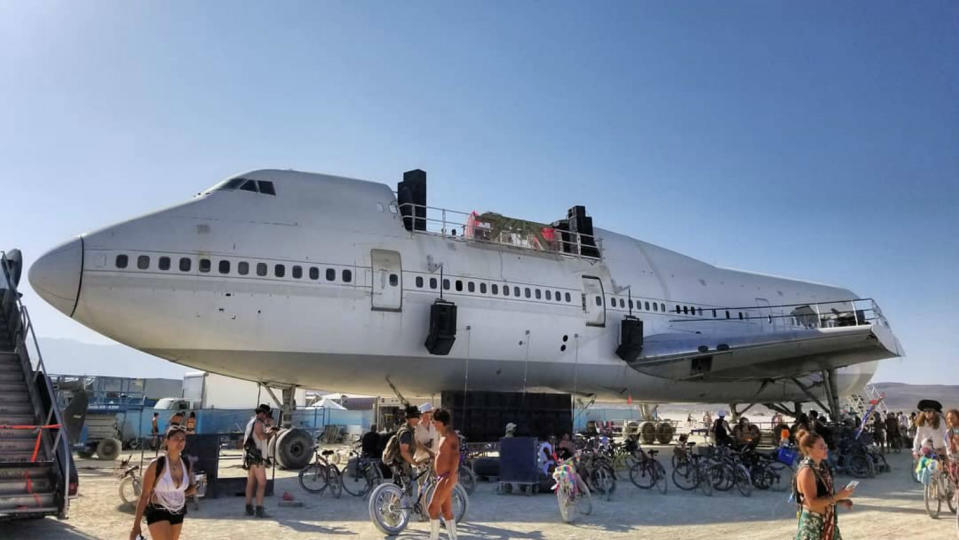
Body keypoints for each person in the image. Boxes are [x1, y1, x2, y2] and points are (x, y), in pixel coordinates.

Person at [129, 424, 196, 540]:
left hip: (179, 511)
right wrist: (136, 526)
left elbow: (184, 490)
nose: (180, 442)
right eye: (176, 439)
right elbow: (144, 495)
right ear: (167, 441)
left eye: (183, 439)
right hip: (158, 510)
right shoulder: (156, 465)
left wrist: (192, 489)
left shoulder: (186, 463)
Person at [793, 428, 854, 540]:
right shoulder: (807, 471)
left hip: (827, 524)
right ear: (809, 449)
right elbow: (812, 503)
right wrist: (838, 496)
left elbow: (823, 495)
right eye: (821, 447)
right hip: (813, 527)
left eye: (825, 445)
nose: (826, 449)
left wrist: (841, 500)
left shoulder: (821, 467)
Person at [427, 408, 458, 540]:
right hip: (443, 477)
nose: (433, 424)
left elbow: (456, 457)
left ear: (441, 422)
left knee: (432, 509)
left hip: (446, 477)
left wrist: (450, 478)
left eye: (434, 422)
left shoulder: (451, 436)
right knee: (446, 512)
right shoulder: (443, 435)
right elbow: (441, 455)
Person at [243, 404, 278, 518]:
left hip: (250, 456)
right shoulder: (258, 423)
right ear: (263, 414)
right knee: (262, 483)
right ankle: (259, 509)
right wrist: (271, 432)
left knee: (251, 482)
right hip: (257, 457)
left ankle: (249, 507)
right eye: (266, 415)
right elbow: (262, 437)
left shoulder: (252, 422)